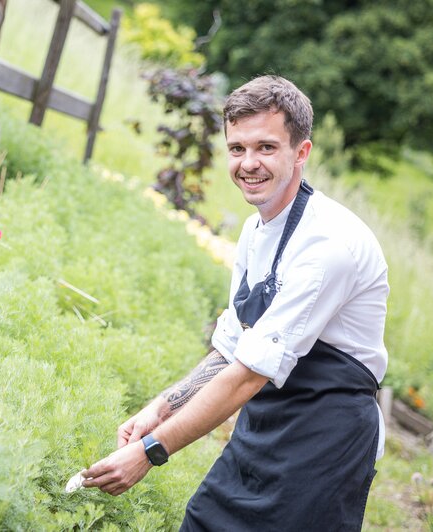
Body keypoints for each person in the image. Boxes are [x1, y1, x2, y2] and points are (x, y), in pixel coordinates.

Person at [82, 75, 388, 531]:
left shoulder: (329, 245)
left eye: (266, 147)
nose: (248, 164)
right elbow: (230, 349)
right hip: (266, 423)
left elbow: (246, 375)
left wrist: (150, 452)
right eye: (237, 148)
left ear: (300, 152)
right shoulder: (255, 229)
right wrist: (160, 408)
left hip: (325, 441)